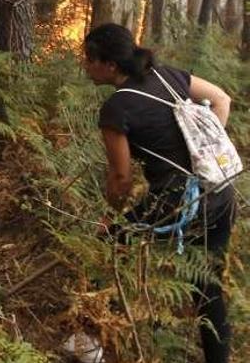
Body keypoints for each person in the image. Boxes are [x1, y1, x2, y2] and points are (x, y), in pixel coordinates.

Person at [83, 23, 236, 363]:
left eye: (89, 59)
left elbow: (121, 179)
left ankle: (91, 338)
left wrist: (112, 216)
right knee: (206, 285)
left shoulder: (116, 108)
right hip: (220, 191)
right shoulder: (169, 75)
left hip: (179, 201)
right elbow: (222, 99)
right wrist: (206, 154)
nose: (85, 66)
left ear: (110, 65)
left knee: (110, 243)